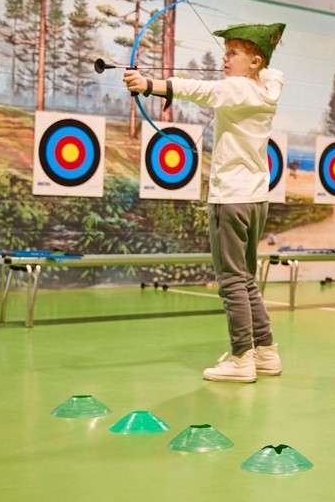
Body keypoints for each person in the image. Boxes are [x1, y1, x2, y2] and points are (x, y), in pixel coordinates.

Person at [123, 23, 287, 383]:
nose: (224, 58)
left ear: (255, 60)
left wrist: (148, 84)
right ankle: (266, 352)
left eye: (233, 53)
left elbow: (196, 89)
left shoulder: (238, 89)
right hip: (257, 198)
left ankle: (242, 358)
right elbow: (274, 73)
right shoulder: (268, 86)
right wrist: (262, 59)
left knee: (231, 281)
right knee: (245, 279)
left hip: (230, 199)